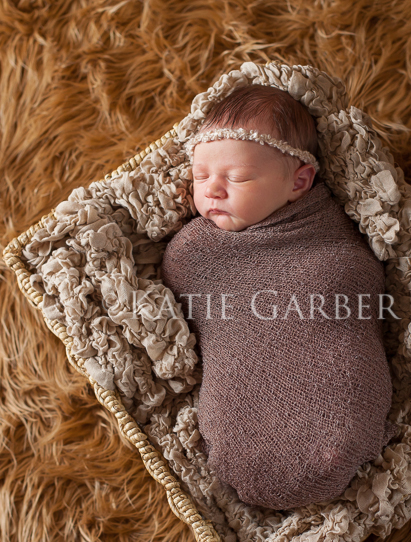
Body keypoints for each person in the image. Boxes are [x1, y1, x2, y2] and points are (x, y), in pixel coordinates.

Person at [160, 85, 397, 511]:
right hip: (245, 396)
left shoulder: (327, 230)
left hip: (327, 357)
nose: (212, 190)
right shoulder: (196, 253)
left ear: (298, 181)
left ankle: (338, 437)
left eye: (237, 178)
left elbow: (353, 273)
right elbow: (186, 286)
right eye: (200, 177)